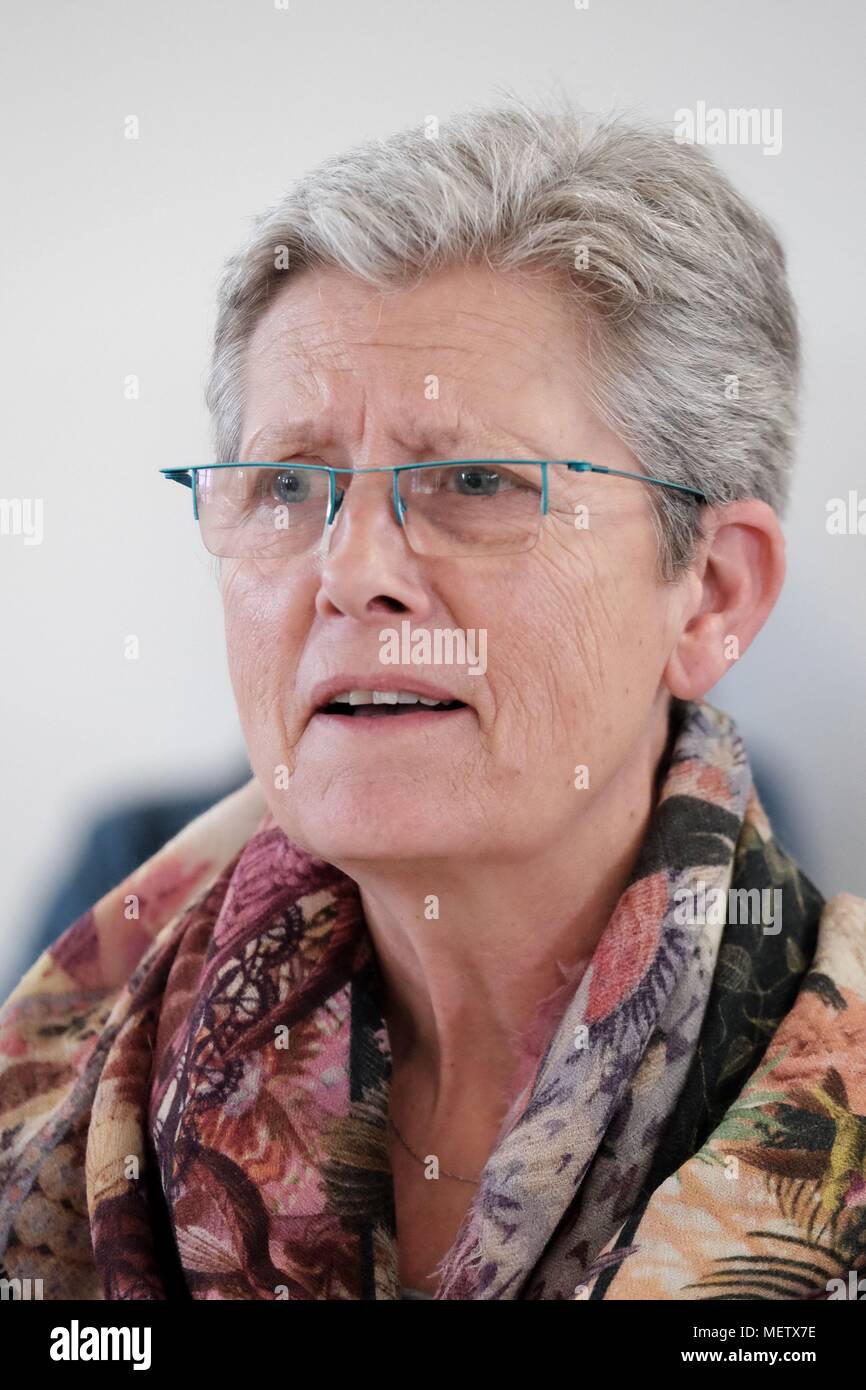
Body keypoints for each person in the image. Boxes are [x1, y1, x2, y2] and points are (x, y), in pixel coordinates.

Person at [1, 97, 864, 1302]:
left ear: (708, 592)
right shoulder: (57, 1089)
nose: (349, 571)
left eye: (472, 479)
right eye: (287, 483)